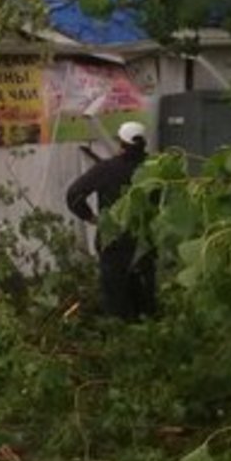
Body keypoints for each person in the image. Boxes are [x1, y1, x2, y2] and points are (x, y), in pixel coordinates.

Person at [66, 121, 157, 320]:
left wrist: (90, 217)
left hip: (113, 243)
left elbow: (73, 195)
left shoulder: (106, 169)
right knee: (145, 299)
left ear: (121, 143)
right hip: (145, 243)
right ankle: (149, 338)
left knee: (117, 301)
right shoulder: (155, 169)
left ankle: (121, 340)